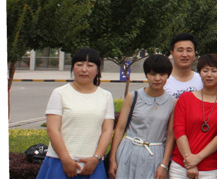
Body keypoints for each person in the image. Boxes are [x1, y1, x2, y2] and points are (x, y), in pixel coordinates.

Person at [37, 48, 115, 179]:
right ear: (73, 68)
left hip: (93, 165)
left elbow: (107, 131)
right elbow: (52, 129)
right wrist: (65, 159)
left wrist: (96, 158)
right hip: (60, 162)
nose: (84, 69)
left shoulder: (106, 96)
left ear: (98, 70)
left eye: (90, 65)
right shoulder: (60, 93)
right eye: (79, 64)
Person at [109, 54, 176, 179]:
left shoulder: (172, 102)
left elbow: (170, 135)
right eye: (152, 74)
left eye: (162, 74)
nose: (157, 78)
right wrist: (112, 159)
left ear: (168, 75)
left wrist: (164, 164)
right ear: (146, 75)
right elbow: (119, 129)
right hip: (129, 151)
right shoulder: (133, 97)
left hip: (155, 154)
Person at [170, 54, 217, 179]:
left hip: (210, 169)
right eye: (205, 70)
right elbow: (179, 130)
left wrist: (197, 158)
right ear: (199, 73)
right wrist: (189, 161)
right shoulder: (185, 98)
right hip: (180, 166)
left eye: (214, 71)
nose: (209, 75)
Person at [165, 33, 203, 99]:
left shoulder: (202, 81)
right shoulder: (162, 81)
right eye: (180, 50)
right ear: (172, 53)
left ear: (194, 53)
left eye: (189, 50)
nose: (184, 55)